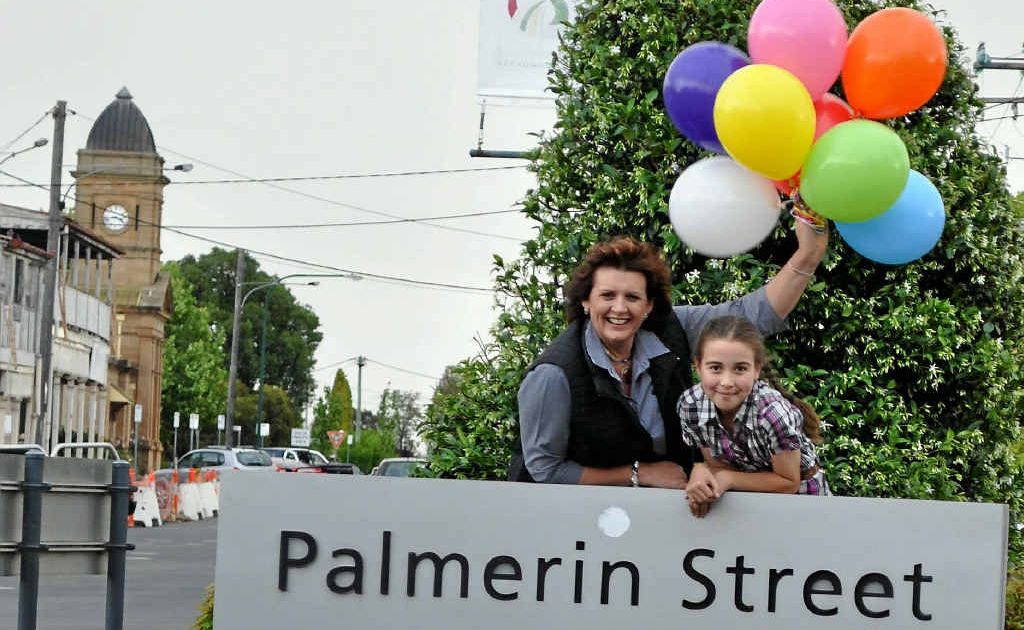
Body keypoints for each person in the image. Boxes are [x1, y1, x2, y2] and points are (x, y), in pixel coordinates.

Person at [512, 219, 827, 489]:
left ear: (648, 306)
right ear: (585, 302)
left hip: (664, 514)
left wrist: (808, 256)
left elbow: (753, 316)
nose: (619, 308)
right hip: (570, 530)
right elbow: (545, 470)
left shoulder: (674, 327)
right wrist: (639, 474)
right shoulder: (554, 373)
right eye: (607, 295)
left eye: (633, 297)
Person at [680, 314, 829, 517]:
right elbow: (718, 465)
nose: (726, 382)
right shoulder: (691, 406)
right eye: (715, 368)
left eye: (740, 369)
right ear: (698, 367)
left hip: (803, 498)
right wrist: (703, 473)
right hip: (745, 496)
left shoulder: (773, 414)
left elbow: (788, 483)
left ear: (756, 369)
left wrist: (728, 479)